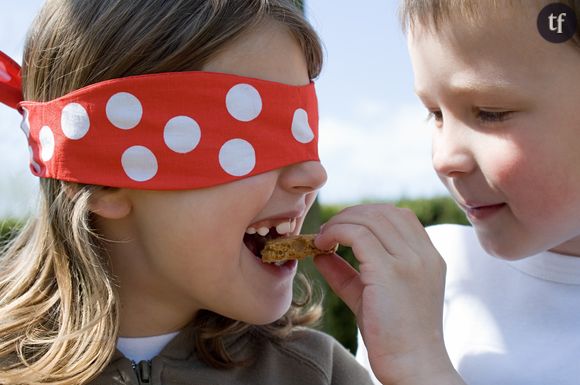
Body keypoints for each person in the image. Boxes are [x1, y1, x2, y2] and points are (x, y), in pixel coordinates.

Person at [0, 0, 381, 384]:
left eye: (305, 129)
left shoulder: (318, 374)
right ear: (102, 179)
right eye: (247, 138)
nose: (314, 174)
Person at [356, 1, 580, 384]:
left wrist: (422, 368)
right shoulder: (427, 273)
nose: (444, 158)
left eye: (491, 112)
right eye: (436, 114)